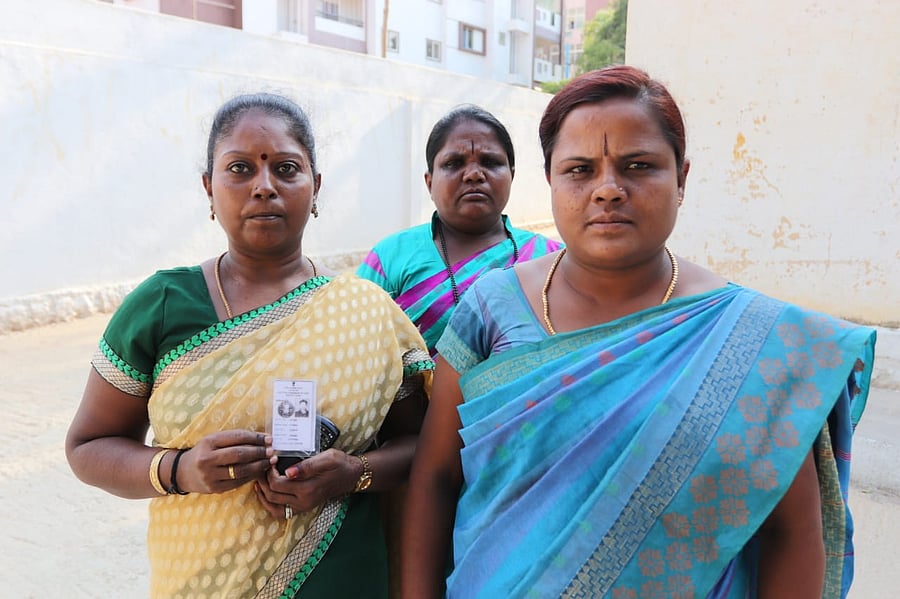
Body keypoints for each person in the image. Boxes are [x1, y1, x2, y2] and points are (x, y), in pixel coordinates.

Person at [401, 66, 876, 598]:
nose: (608, 190)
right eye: (580, 169)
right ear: (552, 181)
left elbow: (791, 533)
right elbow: (436, 480)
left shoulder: (755, 343)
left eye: (638, 166)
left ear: (682, 179)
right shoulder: (490, 307)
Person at [65, 92, 434, 599]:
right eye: (239, 169)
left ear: (316, 186)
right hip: (199, 580)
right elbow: (88, 447)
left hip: (343, 575)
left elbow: (422, 446)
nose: (264, 187)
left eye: (286, 168)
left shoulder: (369, 312)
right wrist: (180, 469)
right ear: (208, 189)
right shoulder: (163, 304)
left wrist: (352, 473)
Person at [357, 105, 562, 356]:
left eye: (490, 162)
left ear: (511, 175)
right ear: (429, 182)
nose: (474, 174)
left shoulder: (552, 258)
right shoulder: (390, 257)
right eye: (454, 163)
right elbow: (355, 351)